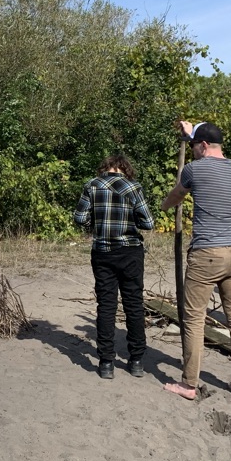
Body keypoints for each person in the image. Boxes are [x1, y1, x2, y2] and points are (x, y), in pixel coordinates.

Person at [161, 122, 231, 400]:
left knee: (194, 319)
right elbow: (207, 143)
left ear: (202, 146)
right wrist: (191, 133)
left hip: (206, 254)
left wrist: (164, 206)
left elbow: (178, 194)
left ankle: (188, 384)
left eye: (195, 146)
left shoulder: (193, 169)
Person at [72, 154, 155, 379]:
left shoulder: (92, 185)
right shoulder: (133, 187)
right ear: (124, 168)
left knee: (106, 306)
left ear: (106, 167)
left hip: (103, 252)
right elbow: (148, 223)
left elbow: (79, 218)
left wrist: (95, 223)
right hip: (130, 251)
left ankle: (106, 362)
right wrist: (130, 221)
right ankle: (136, 360)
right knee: (134, 305)